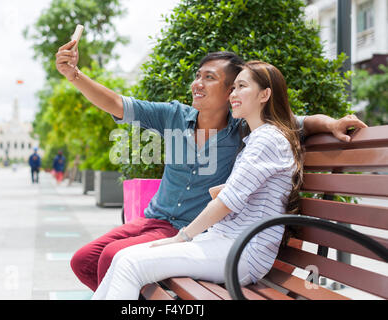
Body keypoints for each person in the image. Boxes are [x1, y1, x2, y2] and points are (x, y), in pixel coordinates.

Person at [55, 39, 367, 292]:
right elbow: (117, 103)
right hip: (158, 220)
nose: (197, 84)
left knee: (116, 258)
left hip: (199, 231)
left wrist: (331, 123)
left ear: (233, 90)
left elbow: (297, 122)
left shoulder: (246, 130)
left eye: (210, 78)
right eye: (198, 75)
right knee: (84, 259)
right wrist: (74, 75)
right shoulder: (173, 116)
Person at [91, 60, 303, 299]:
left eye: (242, 86)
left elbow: (227, 203)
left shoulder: (267, 139)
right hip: (224, 242)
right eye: (233, 88)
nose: (233, 94)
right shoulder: (257, 139)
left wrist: (180, 237)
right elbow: (242, 192)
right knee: (122, 257)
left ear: (265, 94)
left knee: (131, 264)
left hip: (242, 251)